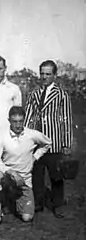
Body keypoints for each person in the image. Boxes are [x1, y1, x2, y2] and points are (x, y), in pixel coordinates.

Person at [24, 60, 73, 218]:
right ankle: (38, 203)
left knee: (56, 175)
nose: (44, 77)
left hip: (54, 142)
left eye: (48, 74)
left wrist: (66, 142)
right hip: (37, 144)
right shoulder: (34, 93)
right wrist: (25, 138)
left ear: (54, 75)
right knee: (37, 175)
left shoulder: (61, 95)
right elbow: (29, 117)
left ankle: (58, 204)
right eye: (42, 74)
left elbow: (66, 119)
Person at [0, 106, 51, 227]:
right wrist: (12, 172)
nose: (18, 125)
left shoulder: (32, 134)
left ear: (24, 120)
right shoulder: (1, 136)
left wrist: (35, 157)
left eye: (20, 121)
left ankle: (12, 201)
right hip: (7, 177)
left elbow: (47, 143)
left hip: (24, 180)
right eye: (14, 121)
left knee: (27, 218)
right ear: (9, 121)